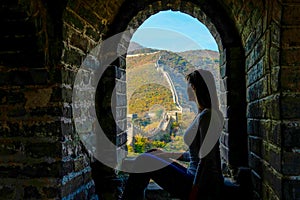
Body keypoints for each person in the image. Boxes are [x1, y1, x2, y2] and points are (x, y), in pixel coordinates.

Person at [122, 69, 224, 200]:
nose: (185, 89)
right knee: (151, 153)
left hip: (202, 185)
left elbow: (207, 159)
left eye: (187, 85)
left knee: (144, 160)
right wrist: (165, 154)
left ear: (194, 87)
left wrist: (195, 189)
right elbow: (194, 155)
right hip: (193, 176)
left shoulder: (208, 115)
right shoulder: (204, 114)